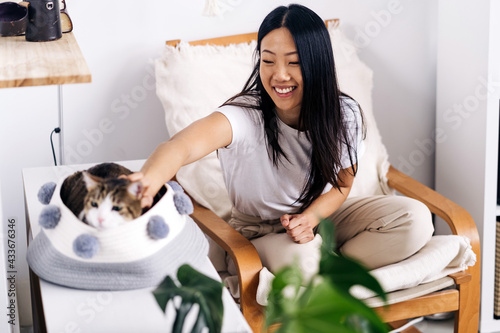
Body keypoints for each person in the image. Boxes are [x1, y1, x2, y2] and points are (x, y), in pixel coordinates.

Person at [132, 4, 434, 281]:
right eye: (268, 61)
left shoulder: (344, 114)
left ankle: (332, 265)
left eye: (294, 62)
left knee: (416, 220)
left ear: (317, 64)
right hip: (261, 231)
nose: (280, 75)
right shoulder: (242, 117)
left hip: (322, 217)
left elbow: (343, 184)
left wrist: (311, 218)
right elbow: (180, 146)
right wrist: (148, 181)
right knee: (304, 263)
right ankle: (318, 266)